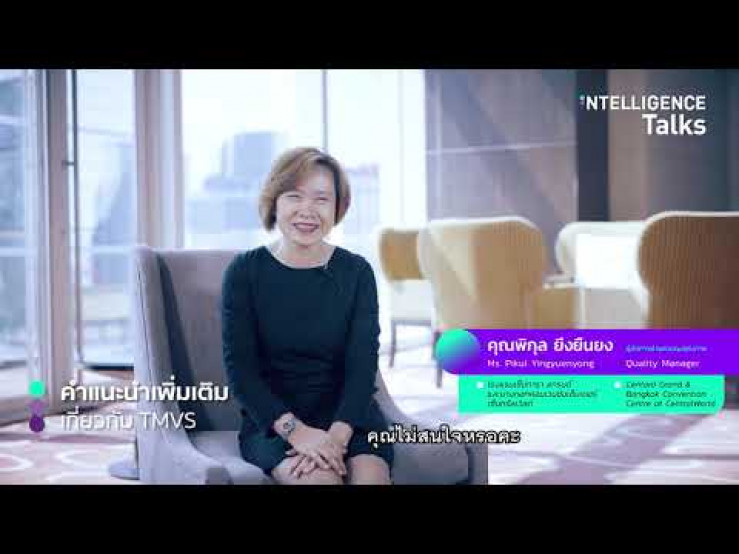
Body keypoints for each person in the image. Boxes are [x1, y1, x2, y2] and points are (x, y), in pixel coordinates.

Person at [221, 147, 393, 485]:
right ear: (275, 202)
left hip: (350, 419)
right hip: (275, 423)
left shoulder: (357, 272)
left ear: (337, 207)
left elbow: (362, 368)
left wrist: (336, 438)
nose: (307, 210)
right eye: (294, 196)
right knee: (319, 480)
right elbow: (242, 373)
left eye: (321, 199)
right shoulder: (244, 272)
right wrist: (297, 432)